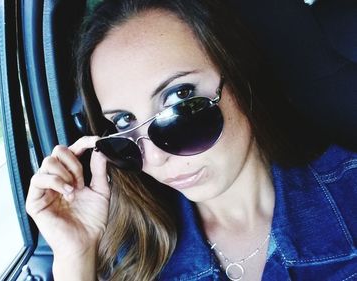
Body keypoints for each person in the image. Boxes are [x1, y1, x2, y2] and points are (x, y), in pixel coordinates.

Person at [25, 0, 357, 280]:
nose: (154, 157)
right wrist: (75, 258)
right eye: (124, 121)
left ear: (240, 76)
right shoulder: (131, 254)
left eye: (180, 100)